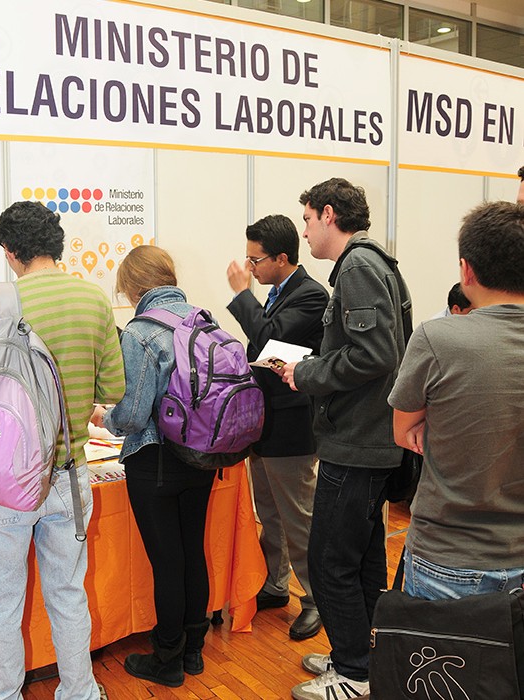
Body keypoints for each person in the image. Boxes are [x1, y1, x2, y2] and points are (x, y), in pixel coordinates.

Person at [0, 201, 125, 700]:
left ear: (9, 251)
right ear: (56, 243)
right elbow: (113, 387)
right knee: (68, 592)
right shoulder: (93, 300)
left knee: (1, 599)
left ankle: (3, 693)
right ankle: (80, 691)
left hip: (4, 482)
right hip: (69, 475)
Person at [279, 178, 409, 700]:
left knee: (330, 561)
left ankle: (354, 672)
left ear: (329, 214)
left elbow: (374, 355)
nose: (305, 232)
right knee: (362, 561)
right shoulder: (373, 264)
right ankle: (361, 656)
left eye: (308, 220)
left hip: (356, 443)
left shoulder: (357, 267)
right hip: (368, 440)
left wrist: (307, 373)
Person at [91, 245, 216, 688]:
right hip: (202, 456)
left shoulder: (141, 331)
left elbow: (131, 416)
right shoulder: (202, 319)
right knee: (192, 552)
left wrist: (103, 417)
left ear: (133, 287)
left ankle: (167, 659)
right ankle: (194, 649)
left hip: (156, 460)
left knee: (167, 562)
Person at [389, 200, 524, 601]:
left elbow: (403, 431)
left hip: (448, 555)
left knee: (435, 648)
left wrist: (437, 423)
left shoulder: (437, 338)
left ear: (466, 270)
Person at [226, 214, 328, 641]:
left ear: (281, 258)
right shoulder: (277, 293)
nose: (250, 268)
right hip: (264, 423)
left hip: (292, 426)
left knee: (298, 519)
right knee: (269, 513)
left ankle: (317, 599)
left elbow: (269, 340)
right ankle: (274, 582)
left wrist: (241, 295)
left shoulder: (311, 296)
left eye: (256, 260)